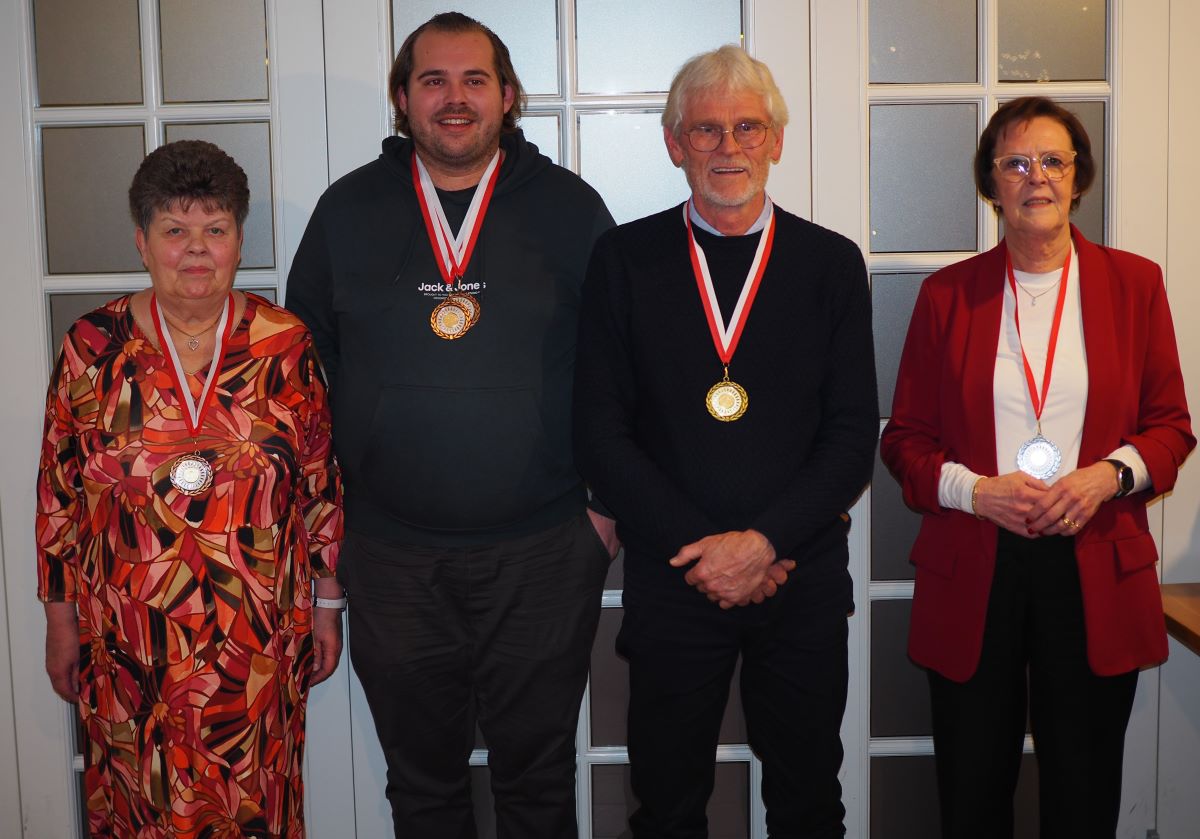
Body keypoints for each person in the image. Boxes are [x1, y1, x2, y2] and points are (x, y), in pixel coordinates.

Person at [285, 11, 616, 838]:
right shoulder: (346, 210)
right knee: (423, 785)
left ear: (508, 96)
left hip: (543, 550)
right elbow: (302, 377)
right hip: (392, 554)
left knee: (538, 782)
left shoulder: (571, 210)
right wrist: (329, 535)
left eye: (475, 80)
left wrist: (605, 511)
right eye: (433, 80)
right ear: (403, 98)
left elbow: (623, 368)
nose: (455, 98)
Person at [574, 45, 877, 838]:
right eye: (705, 130)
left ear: (776, 138)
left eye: (747, 127)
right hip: (675, 576)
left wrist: (765, 542)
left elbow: (852, 436)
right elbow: (601, 434)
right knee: (667, 805)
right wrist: (706, 552)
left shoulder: (830, 263)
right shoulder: (624, 260)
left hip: (800, 573)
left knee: (809, 802)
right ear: (674, 143)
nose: (728, 147)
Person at [880, 96, 1194, 839]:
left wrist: (1106, 476)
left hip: (1093, 560)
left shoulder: (1135, 284)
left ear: (1078, 177)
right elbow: (906, 441)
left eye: (1054, 160)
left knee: (1083, 793)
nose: (1037, 177)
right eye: (1016, 163)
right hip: (976, 562)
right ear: (991, 183)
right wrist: (976, 491)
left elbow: (1171, 428)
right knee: (971, 791)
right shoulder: (946, 295)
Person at [36, 139, 345, 838]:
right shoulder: (92, 346)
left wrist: (328, 606)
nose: (197, 249)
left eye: (216, 228)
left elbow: (320, 484)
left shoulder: (283, 344)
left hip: (256, 647)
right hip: (126, 646)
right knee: (138, 805)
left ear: (239, 240)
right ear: (142, 242)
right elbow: (58, 495)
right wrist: (60, 623)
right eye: (175, 229)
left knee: (251, 808)